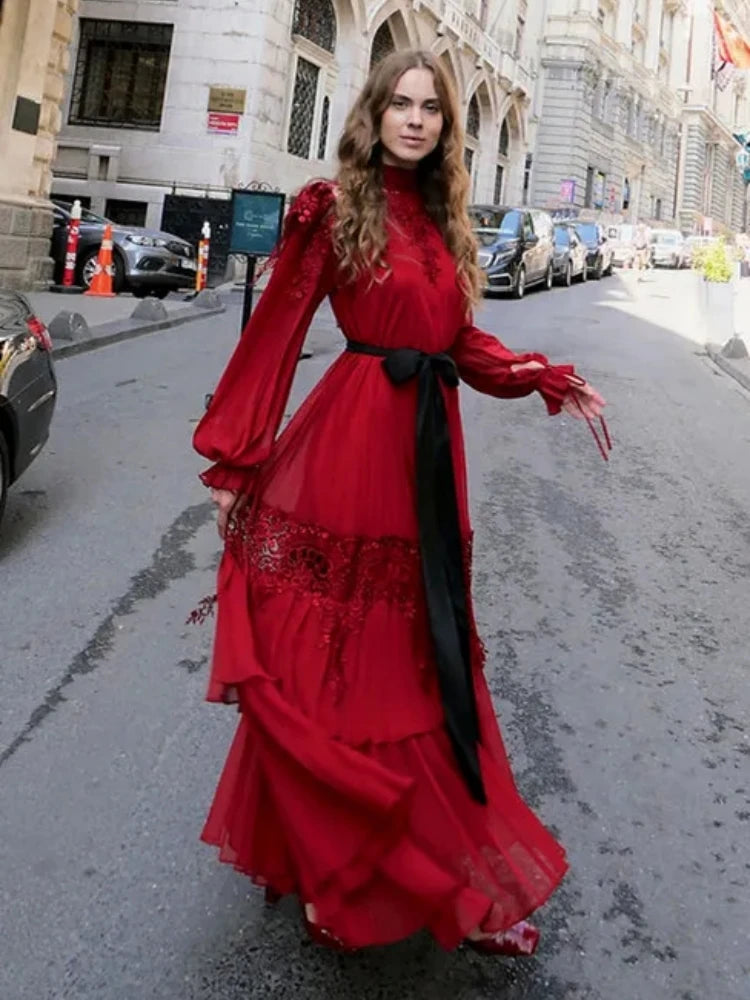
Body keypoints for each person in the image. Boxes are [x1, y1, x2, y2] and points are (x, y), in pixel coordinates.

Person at [192, 49, 609, 957]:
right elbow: (276, 331)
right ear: (375, 113)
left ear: (446, 128)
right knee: (334, 657)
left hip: (426, 451)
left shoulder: (445, 219)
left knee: (422, 657)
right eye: (402, 104)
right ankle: (330, 867)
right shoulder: (336, 208)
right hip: (349, 446)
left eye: (431, 108)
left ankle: (450, 871)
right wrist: (234, 459)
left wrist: (542, 376)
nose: (416, 119)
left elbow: (459, 342)